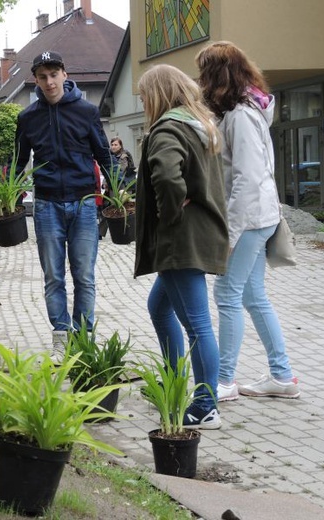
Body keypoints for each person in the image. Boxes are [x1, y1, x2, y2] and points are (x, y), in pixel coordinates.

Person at [196, 41, 300, 401]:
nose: (200, 81)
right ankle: (282, 376)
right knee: (254, 296)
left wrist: (231, 233)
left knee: (226, 293)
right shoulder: (250, 109)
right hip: (261, 215)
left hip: (251, 218)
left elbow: (247, 178)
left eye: (204, 73)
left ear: (216, 75)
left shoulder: (240, 115)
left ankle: (224, 381)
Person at [134, 64, 229, 429]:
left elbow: (168, 177)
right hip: (196, 236)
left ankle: (206, 405)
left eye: (144, 97)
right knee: (158, 308)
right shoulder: (198, 124)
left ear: (158, 94)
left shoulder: (167, 129)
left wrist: (169, 214)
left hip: (180, 240)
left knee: (198, 326)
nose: (143, 104)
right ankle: (175, 385)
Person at [15, 51, 112, 361]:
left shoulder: (86, 111)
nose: (49, 81)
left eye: (54, 74)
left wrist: (118, 192)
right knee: (53, 276)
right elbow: (18, 162)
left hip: (83, 204)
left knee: (84, 275)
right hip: (46, 206)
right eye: (43, 76)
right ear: (36, 80)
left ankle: (83, 340)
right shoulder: (27, 117)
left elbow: (104, 154)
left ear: (64, 75)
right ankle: (61, 339)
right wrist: (8, 198)